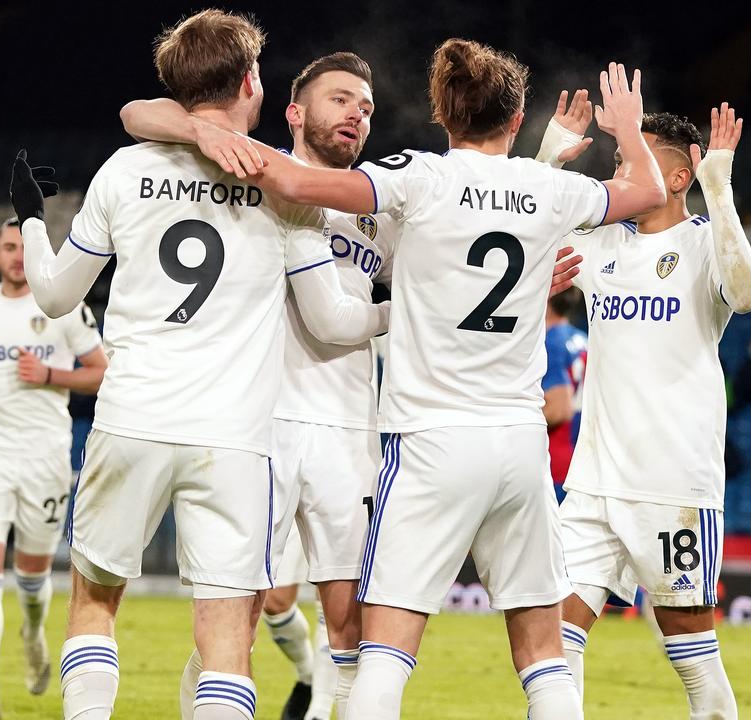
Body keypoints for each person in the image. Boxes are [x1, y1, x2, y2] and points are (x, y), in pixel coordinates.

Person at [186, 40, 666, 719]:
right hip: (520, 447)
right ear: (518, 113)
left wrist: (193, 125)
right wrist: (625, 131)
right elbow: (646, 192)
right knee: (543, 654)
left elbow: (295, 184)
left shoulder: (418, 177)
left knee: (382, 651)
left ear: (441, 112)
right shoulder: (551, 190)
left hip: (429, 443)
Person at [10, 11, 389, 720]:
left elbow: (58, 296)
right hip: (235, 441)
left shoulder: (125, 171)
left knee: (94, 605)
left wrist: (33, 222)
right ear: (250, 81)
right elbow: (335, 322)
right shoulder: (282, 185)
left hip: (133, 419)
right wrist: (411, 313)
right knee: (225, 642)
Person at [121, 50, 394, 720]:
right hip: (255, 428)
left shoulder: (380, 207)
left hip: (348, 432)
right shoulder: (249, 167)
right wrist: (202, 130)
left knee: (352, 627)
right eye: (339, 99)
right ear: (295, 112)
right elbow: (136, 113)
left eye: (365, 106)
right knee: (231, 621)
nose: (355, 113)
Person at [542, 102, 751, 719]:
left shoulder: (702, 244)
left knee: (692, 658)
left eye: (633, 159)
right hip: (592, 482)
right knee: (552, 643)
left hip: (670, 483)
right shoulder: (605, 244)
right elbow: (526, 240)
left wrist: (719, 188)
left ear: (676, 177)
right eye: (617, 160)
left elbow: (747, 295)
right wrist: (547, 157)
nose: (620, 172)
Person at [0, 218, 108, 720]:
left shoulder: (63, 308)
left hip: (44, 457)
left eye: (21, 248)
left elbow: (102, 373)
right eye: (7, 247)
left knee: (31, 578)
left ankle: (33, 634)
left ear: (35, 255)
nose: (14, 256)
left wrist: (50, 374)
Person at [544, 289, 588, 503]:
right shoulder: (584, 338)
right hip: (581, 462)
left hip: (555, 466)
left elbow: (559, 409)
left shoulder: (549, 342)